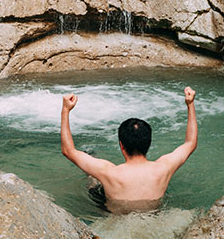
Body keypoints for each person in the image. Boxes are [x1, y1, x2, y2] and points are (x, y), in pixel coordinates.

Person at [60, 87, 197, 212]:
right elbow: (190, 143)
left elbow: (68, 151)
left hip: (115, 217)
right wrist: (190, 104)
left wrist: (65, 110)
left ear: (121, 145)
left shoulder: (109, 172)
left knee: (93, 181)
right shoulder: (163, 168)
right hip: (154, 215)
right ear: (149, 143)